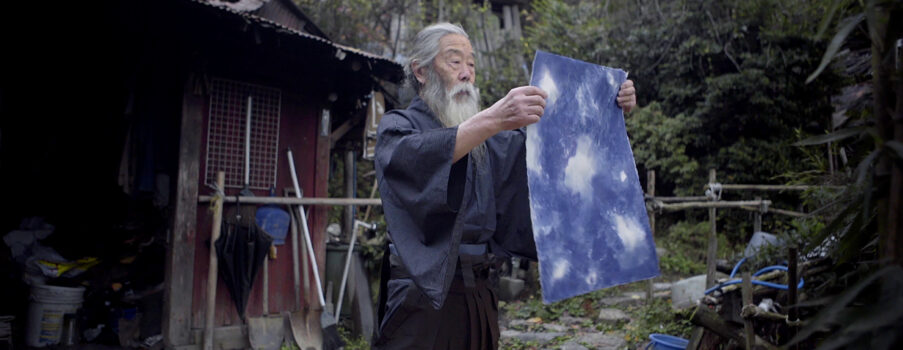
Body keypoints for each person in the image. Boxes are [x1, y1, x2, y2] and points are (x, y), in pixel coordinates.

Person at [373, 22, 636, 350]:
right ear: (421, 71)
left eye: (471, 64)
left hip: (480, 293)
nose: (467, 73)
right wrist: (493, 119)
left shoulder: (488, 139)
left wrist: (607, 104)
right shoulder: (399, 127)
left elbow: (551, 148)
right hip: (421, 298)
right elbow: (417, 157)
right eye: (455, 62)